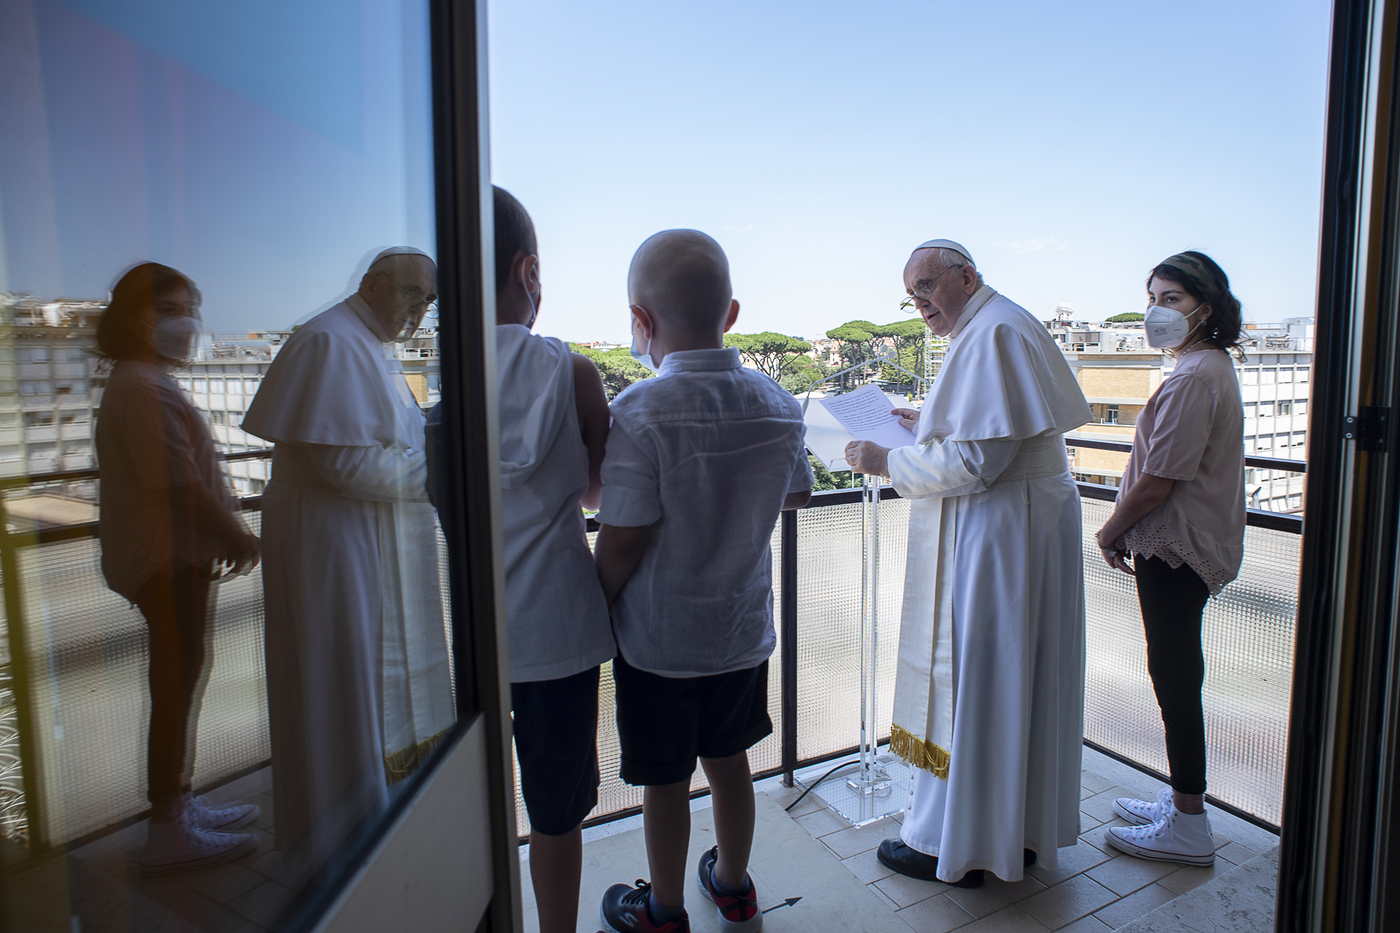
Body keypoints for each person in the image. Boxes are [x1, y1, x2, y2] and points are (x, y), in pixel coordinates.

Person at [844, 239, 1092, 887]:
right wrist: (924, 415)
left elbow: (980, 460)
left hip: (1005, 533)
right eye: (911, 293)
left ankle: (957, 844)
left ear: (967, 275)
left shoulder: (993, 332)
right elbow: (992, 427)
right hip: (1023, 524)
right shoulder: (996, 322)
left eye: (928, 285)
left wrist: (886, 461)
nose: (920, 301)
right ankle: (1016, 832)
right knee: (1019, 678)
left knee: (981, 678)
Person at [594, 230, 812, 933]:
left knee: (666, 780)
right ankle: (735, 884)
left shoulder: (640, 410)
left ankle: (661, 910)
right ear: (734, 311)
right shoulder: (779, 402)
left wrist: (592, 601)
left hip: (659, 640)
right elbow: (799, 493)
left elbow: (622, 533)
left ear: (641, 320)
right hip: (741, 630)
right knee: (730, 763)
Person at [436, 187, 614, 933]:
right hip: (561, 630)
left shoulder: (444, 382)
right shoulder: (573, 374)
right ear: (528, 271)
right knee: (556, 808)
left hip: (473, 632)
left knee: (472, 799)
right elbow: (602, 493)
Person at [242, 247, 455, 872]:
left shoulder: (367, 343)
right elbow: (348, 465)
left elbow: (390, 438)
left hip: (359, 539)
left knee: (354, 679)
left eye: (429, 301)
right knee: (342, 680)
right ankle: (345, 838)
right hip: (336, 547)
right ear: (372, 284)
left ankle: (371, 822)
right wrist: (445, 467)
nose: (421, 309)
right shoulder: (330, 342)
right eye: (414, 294)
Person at [94, 262, 262, 873]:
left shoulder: (146, 380)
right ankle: (167, 825)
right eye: (168, 310)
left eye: (190, 308)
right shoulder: (141, 386)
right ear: (133, 316)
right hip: (167, 560)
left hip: (178, 558)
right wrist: (238, 536)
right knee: (175, 680)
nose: (185, 322)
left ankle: (179, 804)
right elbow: (179, 484)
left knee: (182, 675)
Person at [1094, 251, 1246, 866]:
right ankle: (1184, 801)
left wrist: (1108, 531)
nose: (1157, 311)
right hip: (1186, 542)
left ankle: (1189, 823)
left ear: (1205, 307)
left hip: (1176, 546)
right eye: (1152, 297)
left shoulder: (1190, 378)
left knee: (1175, 676)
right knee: (1178, 671)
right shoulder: (1210, 366)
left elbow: (1157, 481)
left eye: (1173, 299)